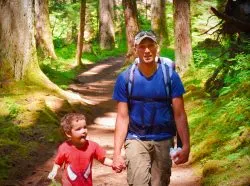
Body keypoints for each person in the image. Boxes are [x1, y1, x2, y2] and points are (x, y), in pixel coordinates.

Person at [112, 30, 190, 186]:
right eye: (142, 46)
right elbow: (122, 117)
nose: (146, 50)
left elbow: (179, 114)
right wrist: (116, 153)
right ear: (135, 50)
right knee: (138, 182)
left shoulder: (170, 77)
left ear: (157, 48)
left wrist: (186, 146)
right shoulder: (125, 78)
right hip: (135, 139)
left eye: (150, 45)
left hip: (164, 139)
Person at [48, 113, 113, 186]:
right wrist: (54, 171)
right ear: (68, 133)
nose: (83, 131)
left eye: (85, 127)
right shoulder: (64, 147)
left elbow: (103, 159)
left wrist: (114, 164)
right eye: (78, 129)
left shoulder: (93, 146)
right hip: (68, 183)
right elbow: (58, 162)